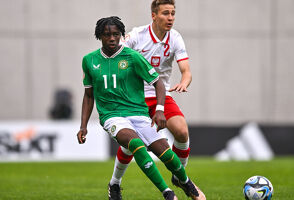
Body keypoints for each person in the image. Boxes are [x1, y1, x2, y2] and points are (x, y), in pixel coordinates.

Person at [77, 16, 204, 200]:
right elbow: (88, 96)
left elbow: (158, 83)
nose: (112, 38)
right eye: (107, 35)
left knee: (164, 151)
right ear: (99, 36)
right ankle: (168, 193)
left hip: (138, 113)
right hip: (112, 116)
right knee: (135, 144)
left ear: (121, 35)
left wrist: (159, 109)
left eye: (116, 34)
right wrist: (83, 126)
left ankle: (186, 182)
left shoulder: (133, 57)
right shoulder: (89, 60)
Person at [112, 1, 203, 199]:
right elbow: (117, 56)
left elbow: (186, 71)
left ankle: (179, 177)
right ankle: (115, 183)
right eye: (165, 13)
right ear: (154, 15)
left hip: (161, 94)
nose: (170, 18)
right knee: (130, 144)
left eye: (173, 13)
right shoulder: (137, 35)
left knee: (181, 131)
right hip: (135, 97)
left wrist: (184, 82)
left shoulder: (176, 38)